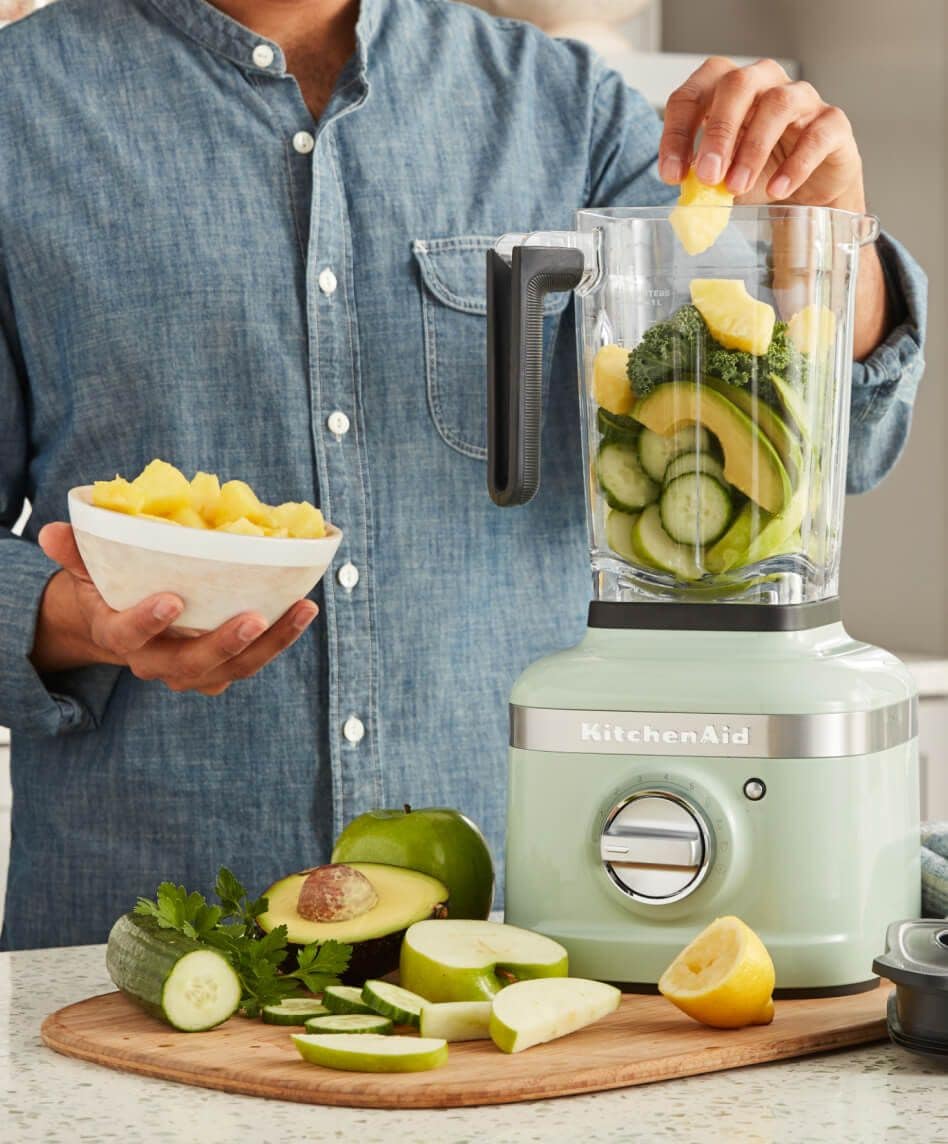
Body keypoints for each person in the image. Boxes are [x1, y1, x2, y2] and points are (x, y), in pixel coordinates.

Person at [0, 0, 926, 950]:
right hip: (133, 940)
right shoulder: (17, 106)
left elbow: (829, 452)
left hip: (539, 936)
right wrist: (84, 620)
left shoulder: (568, 109)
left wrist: (830, 241)